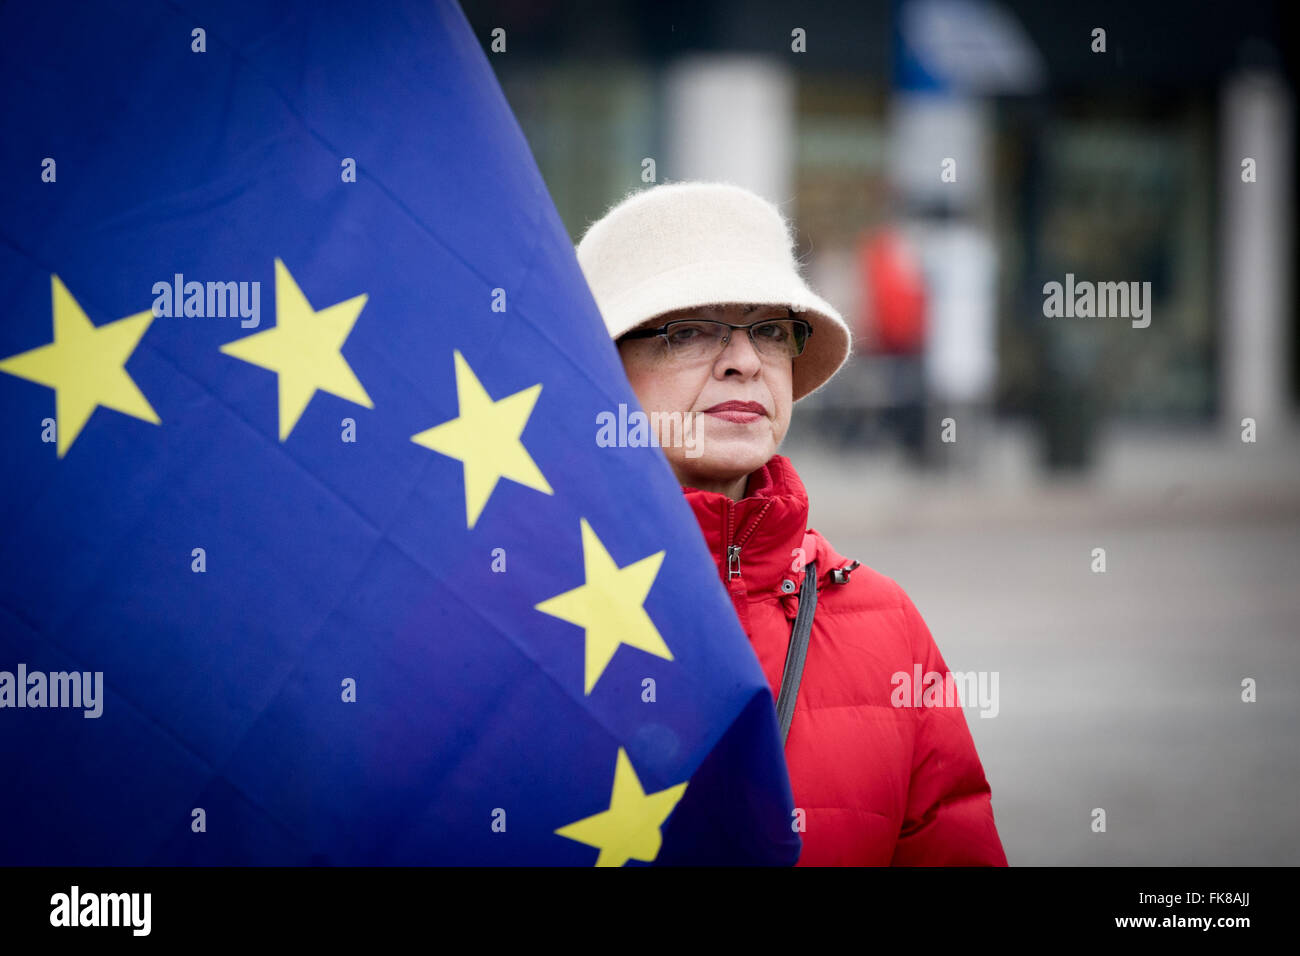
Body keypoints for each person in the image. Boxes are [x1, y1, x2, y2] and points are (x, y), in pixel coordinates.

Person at [576, 180, 1008, 865]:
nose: (745, 360)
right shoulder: (512, 615)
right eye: (689, 331)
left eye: (770, 331)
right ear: (601, 369)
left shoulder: (889, 627)